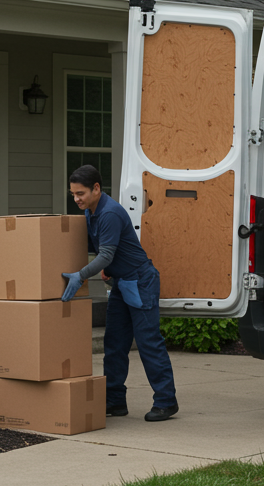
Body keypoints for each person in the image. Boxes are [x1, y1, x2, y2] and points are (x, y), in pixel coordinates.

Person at [63, 165, 179, 421]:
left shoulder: (109, 213)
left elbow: (105, 254)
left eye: (80, 193)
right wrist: (110, 269)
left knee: (148, 342)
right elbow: (103, 251)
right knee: (114, 343)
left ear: (96, 188)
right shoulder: (91, 212)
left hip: (140, 281)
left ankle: (166, 401)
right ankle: (115, 401)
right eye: (72, 194)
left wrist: (80, 275)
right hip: (122, 281)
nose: (76, 199)